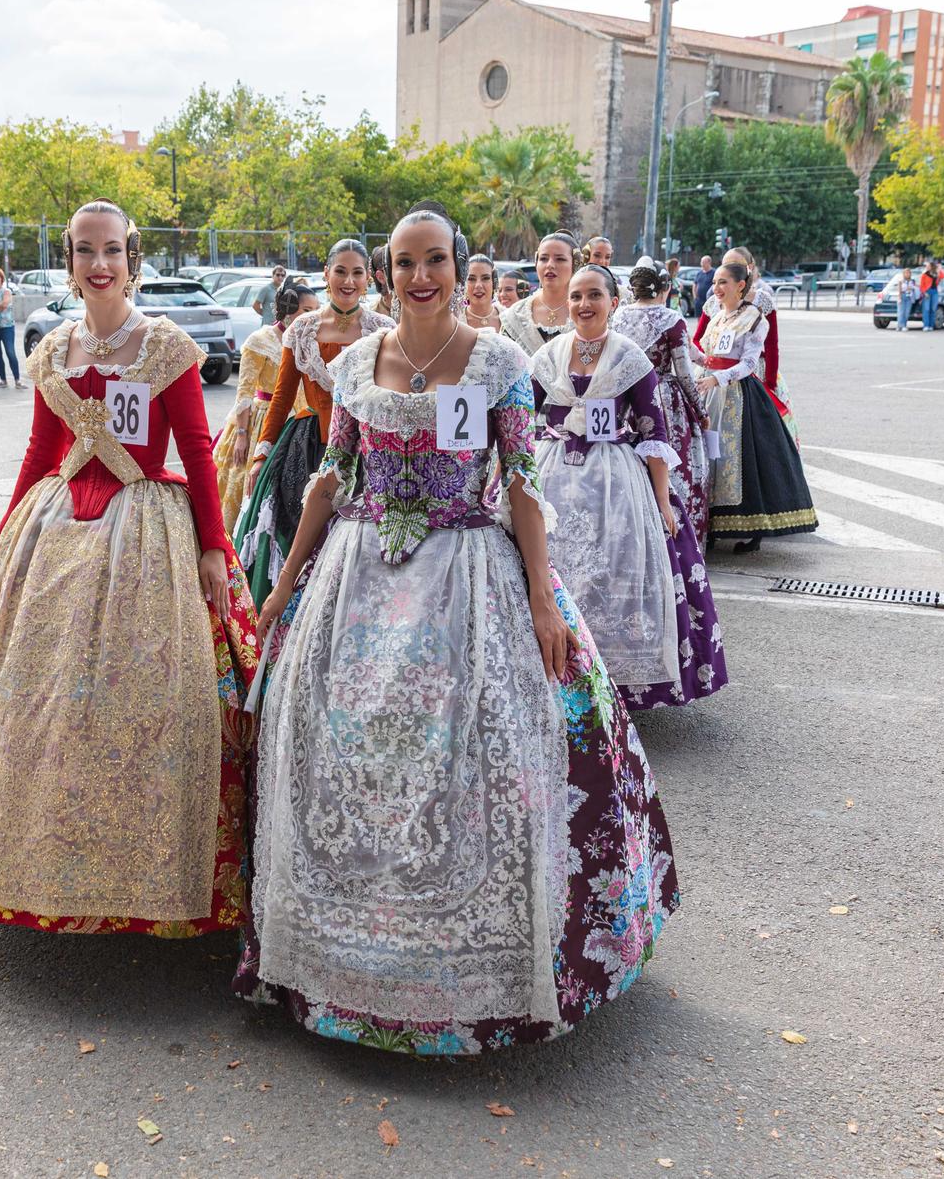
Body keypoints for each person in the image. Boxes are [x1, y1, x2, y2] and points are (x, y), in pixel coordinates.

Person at [233, 205, 677, 1054]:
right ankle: (334, 963)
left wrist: (545, 601)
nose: (422, 276)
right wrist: (286, 585)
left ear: (457, 264)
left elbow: (520, 483)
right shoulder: (357, 359)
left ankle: (484, 977)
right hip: (358, 576)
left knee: (499, 744)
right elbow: (332, 475)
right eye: (406, 263)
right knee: (333, 750)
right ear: (389, 273)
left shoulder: (501, 360)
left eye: (436, 259)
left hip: (472, 576)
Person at [0, 199, 260, 938]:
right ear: (68, 260)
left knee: (145, 701)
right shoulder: (54, 350)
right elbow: (41, 452)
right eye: (84, 251)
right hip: (54, 532)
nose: (99, 264)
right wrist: (8, 532)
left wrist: (212, 545)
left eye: (111, 250)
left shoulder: (164, 346)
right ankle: (35, 867)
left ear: (132, 256)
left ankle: (146, 880)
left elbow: (197, 451)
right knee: (34, 703)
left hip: (145, 535)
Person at [532, 262, 696, 717]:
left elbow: (652, 430)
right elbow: (522, 418)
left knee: (608, 574)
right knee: (554, 575)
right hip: (552, 475)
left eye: (594, 296)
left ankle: (611, 687)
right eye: (577, 296)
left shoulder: (630, 358)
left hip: (614, 482)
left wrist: (663, 502)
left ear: (614, 303)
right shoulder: (546, 357)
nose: (584, 304)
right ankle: (554, 678)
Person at [235, 239, 393, 606]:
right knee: (301, 544)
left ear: (369, 279)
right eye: (341, 271)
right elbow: (281, 397)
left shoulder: (383, 330)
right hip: (306, 451)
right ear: (326, 275)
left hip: (368, 455)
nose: (348, 281)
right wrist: (261, 454)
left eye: (357, 273)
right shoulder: (302, 329)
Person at [700, 261, 817, 552]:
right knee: (708, 455)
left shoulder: (755, 319)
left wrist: (720, 378)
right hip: (710, 391)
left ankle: (752, 529)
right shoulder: (716, 316)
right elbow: (704, 353)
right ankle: (711, 522)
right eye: (715, 282)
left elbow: (750, 363)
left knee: (740, 459)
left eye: (723, 282)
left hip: (738, 396)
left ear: (741, 286)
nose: (717, 288)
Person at [614, 265, 715, 539]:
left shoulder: (618, 316)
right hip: (664, 399)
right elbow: (683, 372)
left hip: (625, 399)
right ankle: (679, 539)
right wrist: (700, 410)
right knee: (677, 468)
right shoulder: (671, 319)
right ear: (662, 288)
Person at [214, 284, 317, 532]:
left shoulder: (310, 340)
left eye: (316, 310)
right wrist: (241, 435)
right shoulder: (259, 340)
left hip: (298, 422)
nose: (313, 316)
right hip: (262, 420)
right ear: (289, 311)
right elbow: (244, 393)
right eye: (307, 310)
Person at [500, 231, 579, 356]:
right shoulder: (516, 315)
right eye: (543, 258)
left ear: (575, 264)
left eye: (560, 259)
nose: (550, 265)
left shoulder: (586, 312)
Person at [462, 252, 502, 331]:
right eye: (471, 279)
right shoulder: (454, 322)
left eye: (485, 278)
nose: (478, 285)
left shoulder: (508, 319)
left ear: (494, 282)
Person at [889, 264, 919, 332]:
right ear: (903, 274)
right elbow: (899, 290)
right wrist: (899, 297)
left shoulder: (912, 281)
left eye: (908, 273)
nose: (907, 274)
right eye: (906, 273)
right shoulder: (901, 281)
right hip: (902, 296)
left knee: (907, 312)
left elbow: (916, 287)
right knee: (901, 312)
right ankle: (899, 325)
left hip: (910, 297)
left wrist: (913, 288)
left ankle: (904, 325)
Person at [918, 257, 943, 332]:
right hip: (927, 292)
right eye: (926, 266)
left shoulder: (936, 274)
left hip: (935, 291)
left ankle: (931, 326)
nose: (927, 267)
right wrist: (924, 293)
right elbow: (921, 286)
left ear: (932, 266)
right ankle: (926, 325)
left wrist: (940, 269)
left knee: (933, 309)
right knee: (926, 309)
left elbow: (942, 276)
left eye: (929, 266)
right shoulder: (924, 275)